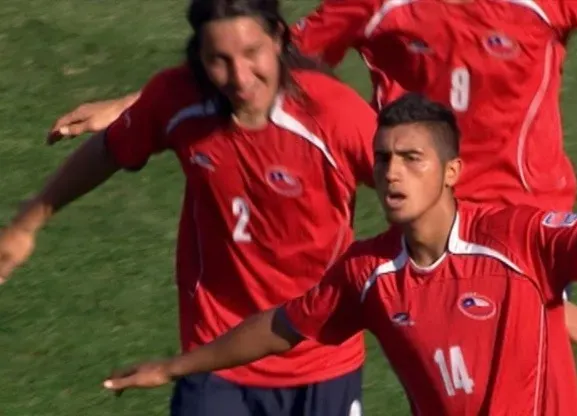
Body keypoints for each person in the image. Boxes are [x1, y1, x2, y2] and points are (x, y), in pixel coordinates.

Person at [100, 92, 577, 415]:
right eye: (383, 160)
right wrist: (179, 366)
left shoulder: (513, 237)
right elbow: (280, 327)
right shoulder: (369, 270)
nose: (393, 174)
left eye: (412, 158)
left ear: (452, 170)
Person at [0, 0, 378, 415]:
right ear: (199, 57)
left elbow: (418, 193)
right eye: (219, 60)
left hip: (320, 356)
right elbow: (108, 150)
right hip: (214, 356)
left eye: (252, 54)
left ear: (279, 39)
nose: (239, 77)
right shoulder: (179, 101)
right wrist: (29, 221)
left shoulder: (335, 115)